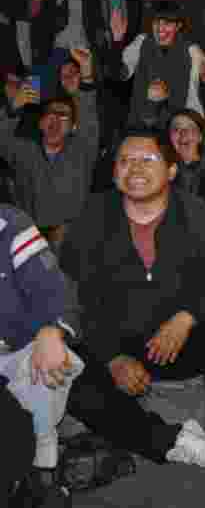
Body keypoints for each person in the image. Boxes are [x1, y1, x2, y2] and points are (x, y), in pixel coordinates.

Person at [62, 129, 205, 475]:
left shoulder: (195, 212)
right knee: (66, 374)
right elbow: (78, 297)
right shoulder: (93, 216)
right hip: (123, 345)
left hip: (184, 341)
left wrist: (186, 318)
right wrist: (111, 357)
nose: (134, 168)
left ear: (171, 170)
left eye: (147, 159)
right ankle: (174, 441)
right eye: (125, 160)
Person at [0, 205, 82, 508]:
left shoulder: (10, 224)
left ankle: (45, 467)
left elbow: (52, 288)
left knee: (49, 365)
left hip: (20, 346)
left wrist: (51, 329)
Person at [0, 48, 100, 248]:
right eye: (50, 114)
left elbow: (88, 114)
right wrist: (12, 109)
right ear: (39, 123)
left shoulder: (82, 151)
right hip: (29, 238)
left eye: (63, 115)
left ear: (73, 127)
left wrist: (87, 77)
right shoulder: (24, 151)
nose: (55, 119)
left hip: (70, 238)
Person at [121, 1, 205, 127]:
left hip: (176, 127)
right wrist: (117, 42)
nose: (160, 28)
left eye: (167, 23)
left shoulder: (191, 50)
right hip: (141, 124)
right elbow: (122, 73)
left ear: (178, 25)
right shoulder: (142, 42)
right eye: (156, 22)